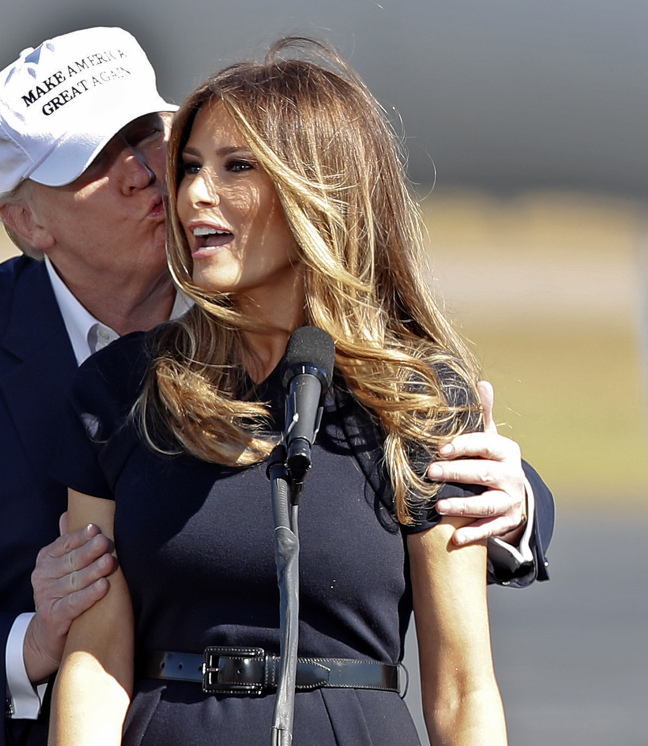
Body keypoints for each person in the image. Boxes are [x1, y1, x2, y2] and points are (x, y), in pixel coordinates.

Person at [0, 27, 549, 746]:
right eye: (92, 161)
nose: (147, 173)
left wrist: (512, 507)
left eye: (150, 136)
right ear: (27, 224)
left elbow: (407, 474)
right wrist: (31, 643)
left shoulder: (258, 296)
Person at [49, 39, 526, 745]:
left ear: (318, 190)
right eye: (189, 168)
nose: (193, 195)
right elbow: (95, 663)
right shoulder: (120, 390)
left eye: (236, 167)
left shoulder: (420, 399)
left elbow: (462, 689)